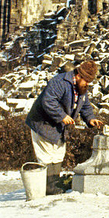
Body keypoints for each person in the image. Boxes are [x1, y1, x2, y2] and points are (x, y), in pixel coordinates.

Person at [25, 60, 104, 195]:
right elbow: (48, 101)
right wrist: (62, 116)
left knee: (58, 154)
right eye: (86, 81)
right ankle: (49, 187)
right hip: (42, 123)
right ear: (78, 75)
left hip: (56, 126)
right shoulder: (59, 82)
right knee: (47, 155)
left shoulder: (81, 88)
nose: (87, 84)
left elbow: (85, 105)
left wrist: (90, 119)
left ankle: (53, 185)